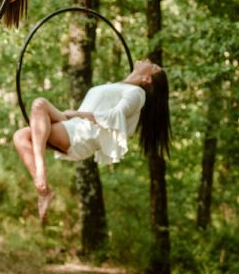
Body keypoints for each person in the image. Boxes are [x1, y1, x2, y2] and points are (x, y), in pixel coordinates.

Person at [12, 59, 171, 221]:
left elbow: (115, 116)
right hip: (75, 124)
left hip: (84, 133)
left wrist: (76, 114)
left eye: (153, 66)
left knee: (39, 104)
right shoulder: (117, 86)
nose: (148, 60)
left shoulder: (137, 93)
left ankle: (41, 176)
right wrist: (74, 115)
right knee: (20, 137)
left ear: (147, 79)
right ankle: (44, 189)